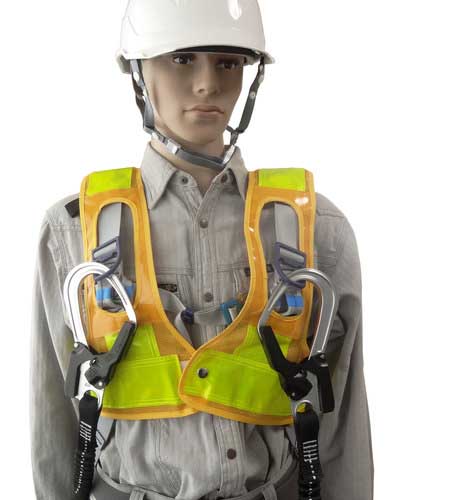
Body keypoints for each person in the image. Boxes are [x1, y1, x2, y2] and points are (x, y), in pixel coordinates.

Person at [30, 1, 373, 499]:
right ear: (138, 71)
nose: (208, 84)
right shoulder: (74, 230)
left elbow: (340, 416)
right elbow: (54, 416)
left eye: (228, 62)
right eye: (182, 58)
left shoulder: (313, 226)